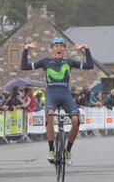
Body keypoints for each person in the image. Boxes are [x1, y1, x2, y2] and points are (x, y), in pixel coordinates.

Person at [21, 37, 93, 165]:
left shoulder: (69, 62)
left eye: (61, 46)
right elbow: (24, 66)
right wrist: (26, 49)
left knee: (76, 120)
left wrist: (86, 49)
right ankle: (51, 150)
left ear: (63, 49)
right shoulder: (45, 62)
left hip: (65, 94)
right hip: (51, 94)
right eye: (56, 46)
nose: (59, 48)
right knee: (49, 116)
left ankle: (68, 151)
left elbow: (89, 65)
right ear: (52, 48)